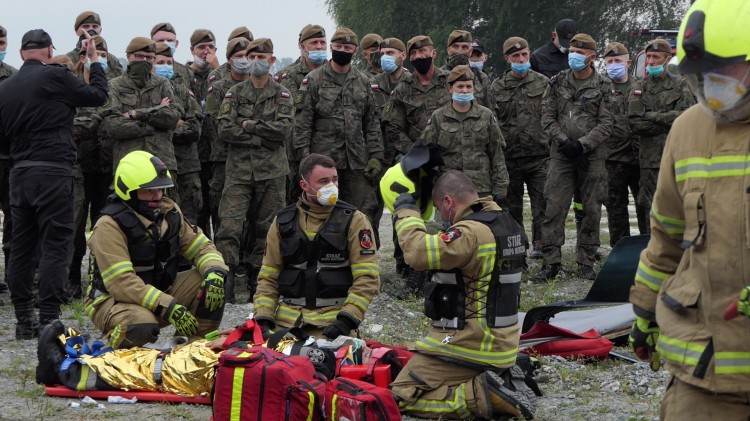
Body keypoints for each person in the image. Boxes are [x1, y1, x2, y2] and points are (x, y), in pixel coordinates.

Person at [628, 0, 750, 418]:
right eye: (699, 77)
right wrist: (644, 307)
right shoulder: (687, 129)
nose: (709, 86)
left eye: (720, 72)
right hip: (706, 369)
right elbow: (665, 233)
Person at [388, 170, 534, 420]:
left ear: (448, 201)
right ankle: (499, 378)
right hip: (503, 342)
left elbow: (417, 253)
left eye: (439, 209)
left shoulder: (470, 233)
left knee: (400, 395)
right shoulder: (507, 222)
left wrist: (406, 214)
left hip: (469, 345)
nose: (441, 217)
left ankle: (480, 394)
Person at [0, 29, 108, 339]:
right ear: (49, 51)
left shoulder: (5, 87)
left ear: (22, 53)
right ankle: (49, 319)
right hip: (54, 171)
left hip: (19, 173)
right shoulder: (56, 77)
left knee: (21, 245)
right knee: (56, 243)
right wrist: (94, 60)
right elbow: (98, 96)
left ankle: (23, 320)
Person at [84, 151, 227, 348]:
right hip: (113, 301)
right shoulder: (109, 226)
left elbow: (201, 246)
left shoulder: (169, 212)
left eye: (161, 189)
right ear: (128, 191)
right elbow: (122, 284)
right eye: (149, 191)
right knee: (141, 325)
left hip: (155, 291)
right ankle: (118, 355)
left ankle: (194, 349)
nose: (158, 196)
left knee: (215, 284)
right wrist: (169, 306)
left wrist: (215, 272)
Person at [253, 153, 379, 339]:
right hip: (286, 323)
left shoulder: (354, 220)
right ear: (305, 185)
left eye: (335, 179)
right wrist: (263, 318)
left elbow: (367, 278)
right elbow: (268, 277)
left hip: (332, 324)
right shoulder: (283, 221)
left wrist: (347, 320)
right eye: (323, 181)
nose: (332, 186)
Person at [215, 38, 294, 304]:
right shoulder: (234, 94)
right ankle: (224, 284)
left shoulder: (283, 94)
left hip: (271, 174)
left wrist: (248, 125)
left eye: (263, 56)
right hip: (238, 172)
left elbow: (283, 130)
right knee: (229, 227)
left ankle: (259, 285)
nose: (257, 61)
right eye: (253, 56)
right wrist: (262, 135)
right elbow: (224, 129)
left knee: (268, 230)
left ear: (272, 61)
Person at [532, 33, 612, 282]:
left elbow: (607, 122)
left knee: (591, 209)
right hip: (561, 155)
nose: (575, 56)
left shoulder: (603, 86)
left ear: (592, 57)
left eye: (580, 52)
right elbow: (547, 117)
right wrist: (565, 143)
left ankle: (586, 260)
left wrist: (583, 145)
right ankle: (551, 262)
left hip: (592, 157)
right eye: (572, 51)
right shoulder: (556, 83)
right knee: (553, 206)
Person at [294, 27, 383, 233]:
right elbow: (302, 124)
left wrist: (376, 156)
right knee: (321, 212)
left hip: (356, 162)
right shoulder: (314, 80)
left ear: (355, 52)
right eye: (339, 46)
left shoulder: (363, 81)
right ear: (332, 48)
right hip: (323, 162)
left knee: (362, 211)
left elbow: (371, 123)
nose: (343, 50)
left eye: (348, 47)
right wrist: (305, 160)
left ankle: (361, 255)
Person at [490, 37, 550, 260]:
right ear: (507, 59)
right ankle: (517, 247)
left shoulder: (544, 83)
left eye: (524, 54)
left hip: (540, 155)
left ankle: (541, 244)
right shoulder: (496, 87)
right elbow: (493, 122)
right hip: (510, 157)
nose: (521, 59)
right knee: (511, 206)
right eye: (516, 56)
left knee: (542, 203)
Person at [100, 37, 183, 200]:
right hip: (129, 164)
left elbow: (172, 117)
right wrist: (153, 123)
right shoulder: (114, 86)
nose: (144, 61)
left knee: (167, 214)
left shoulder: (163, 84)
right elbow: (113, 125)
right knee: (127, 216)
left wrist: (136, 114)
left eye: (149, 57)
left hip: (162, 162)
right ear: (129, 56)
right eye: (139, 56)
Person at [628, 38, 695, 224]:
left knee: (678, 206)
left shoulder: (681, 85)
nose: (650, 61)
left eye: (655, 57)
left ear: (667, 59)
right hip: (649, 160)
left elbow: (686, 117)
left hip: (677, 157)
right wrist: (668, 120)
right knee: (651, 208)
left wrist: (650, 115)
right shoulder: (639, 87)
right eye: (648, 56)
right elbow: (634, 122)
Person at [419, 65, 508, 200]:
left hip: (481, 189)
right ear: (450, 88)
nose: (465, 91)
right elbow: (426, 153)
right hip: (449, 190)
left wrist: (501, 187)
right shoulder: (438, 117)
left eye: (468, 86)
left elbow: (497, 154)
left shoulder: (486, 115)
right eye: (460, 87)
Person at [601, 42, 648, 247]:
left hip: (640, 158)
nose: (614, 64)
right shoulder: (600, 89)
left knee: (644, 205)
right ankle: (619, 249)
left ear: (628, 63)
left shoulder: (642, 87)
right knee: (615, 207)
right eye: (609, 61)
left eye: (617, 61)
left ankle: (649, 247)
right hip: (613, 159)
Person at [205, 37, 252, 237]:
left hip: (255, 160)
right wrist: (254, 128)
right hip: (224, 158)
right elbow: (218, 124)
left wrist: (241, 122)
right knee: (224, 212)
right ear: (229, 60)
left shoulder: (261, 86)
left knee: (252, 214)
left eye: (247, 56)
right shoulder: (217, 88)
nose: (243, 60)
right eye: (239, 56)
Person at [276, 24, 327, 204]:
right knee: (295, 204)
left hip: (328, 151)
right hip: (294, 154)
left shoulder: (333, 73)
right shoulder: (286, 77)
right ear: (302, 46)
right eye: (314, 42)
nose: (319, 47)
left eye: (322, 42)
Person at [154, 42, 204, 223]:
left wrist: (161, 125)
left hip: (185, 165)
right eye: (160, 62)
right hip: (157, 165)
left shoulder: (182, 91)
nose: (165, 66)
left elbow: (194, 128)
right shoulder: (146, 92)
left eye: (169, 62)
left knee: (188, 220)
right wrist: (173, 122)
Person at [187, 29, 218, 236]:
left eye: (211, 47)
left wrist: (217, 70)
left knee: (219, 211)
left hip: (216, 154)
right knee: (196, 212)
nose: (206, 52)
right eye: (201, 47)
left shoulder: (221, 74)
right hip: (194, 155)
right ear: (192, 50)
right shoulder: (185, 76)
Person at [0, 24, 18, 294]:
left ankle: (13, 278)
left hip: (12, 158)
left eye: (1, 42)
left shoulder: (15, 78)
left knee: (16, 219)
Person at [439, 30, 492, 108]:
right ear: (448, 49)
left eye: (465, 47)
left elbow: (491, 110)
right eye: (455, 46)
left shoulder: (481, 77)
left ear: (470, 51)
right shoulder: (438, 76)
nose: (460, 51)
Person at [65, 11, 122, 76]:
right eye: (86, 26)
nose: (91, 29)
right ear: (77, 31)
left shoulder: (112, 60)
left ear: (100, 30)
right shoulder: (68, 59)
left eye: (95, 27)